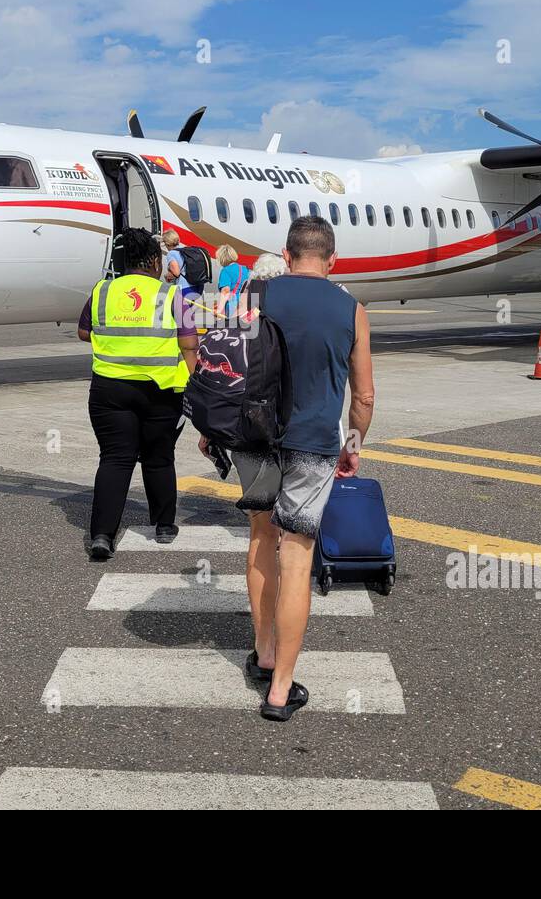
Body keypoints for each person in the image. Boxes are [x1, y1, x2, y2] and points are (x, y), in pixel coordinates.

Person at [204, 216, 374, 721]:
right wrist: (354, 442)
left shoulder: (252, 297)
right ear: (332, 259)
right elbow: (363, 395)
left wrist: (212, 430)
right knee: (297, 557)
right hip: (314, 445)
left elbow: (222, 367)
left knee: (260, 536)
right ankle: (280, 690)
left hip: (255, 439)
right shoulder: (351, 309)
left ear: (286, 252)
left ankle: (263, 651)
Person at [78, 228, 198, 561]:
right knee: (159, 457)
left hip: (109, 388)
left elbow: (84, 331)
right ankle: (163, 525)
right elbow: (190, 344)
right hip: (161, 390)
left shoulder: (102, 291)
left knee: (115, 459)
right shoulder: (174, 296)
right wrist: (190, 386)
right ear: (155, 260)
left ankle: (102, 535)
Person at [213, 245, 250, 319]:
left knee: (230, 327)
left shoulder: (226, 270)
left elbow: (225, 291)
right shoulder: (245, 269)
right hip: (245, 304)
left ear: (221, 258)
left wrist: (219, 310)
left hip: (232, 305)